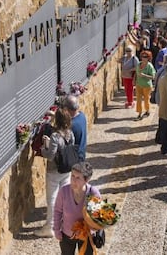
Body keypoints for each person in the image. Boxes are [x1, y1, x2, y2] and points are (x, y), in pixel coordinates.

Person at [35, 108, 75, 238]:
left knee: (52, 198)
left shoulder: (55, 136)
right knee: (64, 197)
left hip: (54, 171)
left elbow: (50, 155)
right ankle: (64, 222)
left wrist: (44, 146)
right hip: (67, 170)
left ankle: (49, 227)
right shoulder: (70, 133)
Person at [53, 162, 100, 255]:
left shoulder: (93, 193)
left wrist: (88, 229)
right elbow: (57, 211)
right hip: (67, 235)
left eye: (78, 178)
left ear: (86, 180)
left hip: (87, 236)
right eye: (72, 176)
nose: (73, 180)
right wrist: (56, 230)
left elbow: (98, 217)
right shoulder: (64, 191)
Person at [64, 95, 87, 161]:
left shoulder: (71, 125)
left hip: (74, 158)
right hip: (81, 154)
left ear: (67, 108)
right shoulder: (82, 115)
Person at [134, 50, 156, 120]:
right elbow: (136, 73)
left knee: (146, 99)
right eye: (143, 56)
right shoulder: (138, 64)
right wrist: (134, 80)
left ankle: (147, 110)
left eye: (146, 57)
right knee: (138, 100)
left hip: (147, 86)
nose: (144, 58)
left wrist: (144, 75)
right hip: (139, 85)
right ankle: (139, 113)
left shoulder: (149, 66)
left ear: (148, 58)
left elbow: (153, 77)